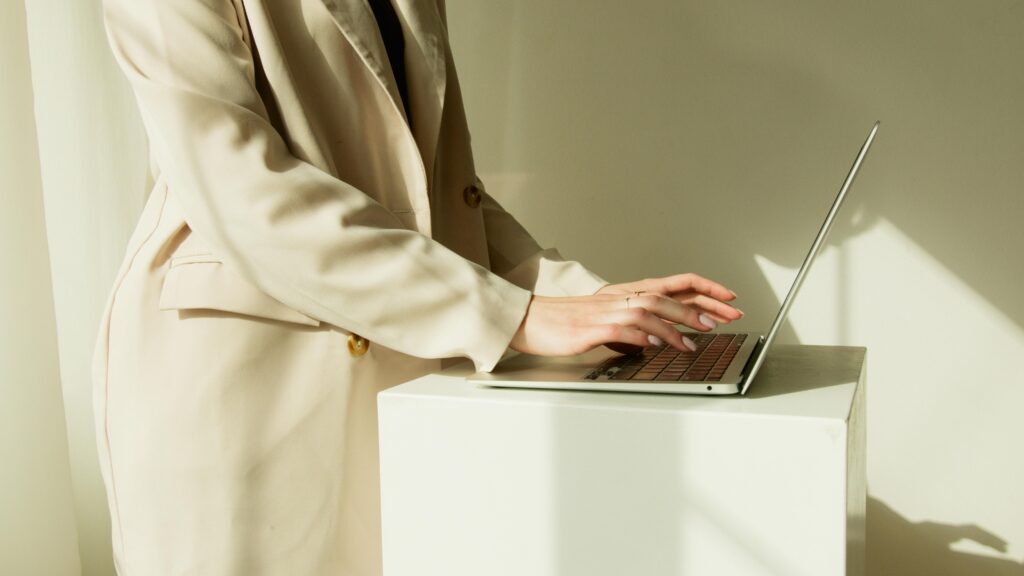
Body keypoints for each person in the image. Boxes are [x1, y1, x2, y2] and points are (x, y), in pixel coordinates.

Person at [92, 0, 743, 574]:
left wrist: (590, 301)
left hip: (397, 383)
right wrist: (514, 315)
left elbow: (438, 194)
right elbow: (242, 189)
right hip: (246, 395)